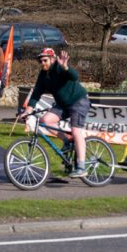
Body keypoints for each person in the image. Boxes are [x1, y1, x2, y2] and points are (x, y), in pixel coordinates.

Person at [21, 48, 91, 178]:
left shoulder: (59, 68)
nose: (42, 63)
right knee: (44, 121)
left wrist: (65, 67)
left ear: (52, 59)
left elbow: (75, 76)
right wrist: (28, 110)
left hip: (78, 102)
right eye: (40, 61)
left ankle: (81, 166)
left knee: (76, 132)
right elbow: (36, 93)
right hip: (62, 105)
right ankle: (67, 140)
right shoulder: (43, 75)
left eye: (45, 60)